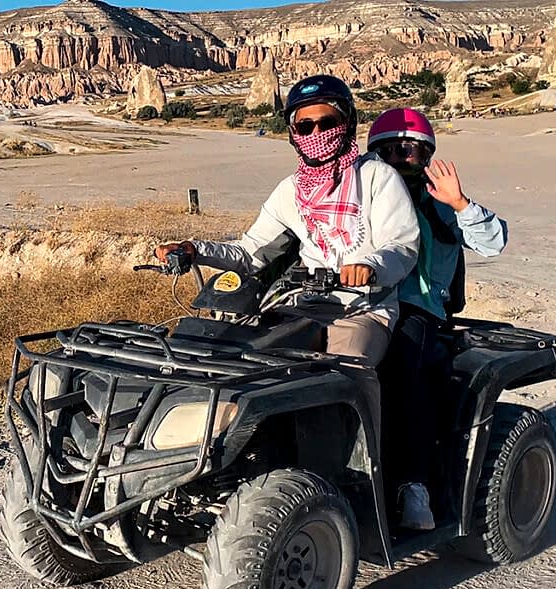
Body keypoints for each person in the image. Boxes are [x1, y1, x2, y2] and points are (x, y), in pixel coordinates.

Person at [155, 76, 420, 451]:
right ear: (292, 132)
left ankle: (364, 467)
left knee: (349, 372)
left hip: (362, 308)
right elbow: (250, 251)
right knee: (243, 362)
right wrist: (195, 249)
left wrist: (371, 267)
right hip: (302, 304)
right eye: (305, 125)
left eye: (327, 123)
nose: (317, 132)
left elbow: (402, 243)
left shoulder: (376, 177)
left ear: (347, 124)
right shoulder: (290, 191)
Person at [367, 108, 508, 529]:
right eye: (390, 150)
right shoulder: (365, 194)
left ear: (426, 154)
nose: (400, 158)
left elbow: (493, 241)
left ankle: (413, 486)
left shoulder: (440, 202)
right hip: (357, 303)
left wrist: (460, 203)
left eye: (410, 150)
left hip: (418, 307)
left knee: (402, 369)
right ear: (375, 153)